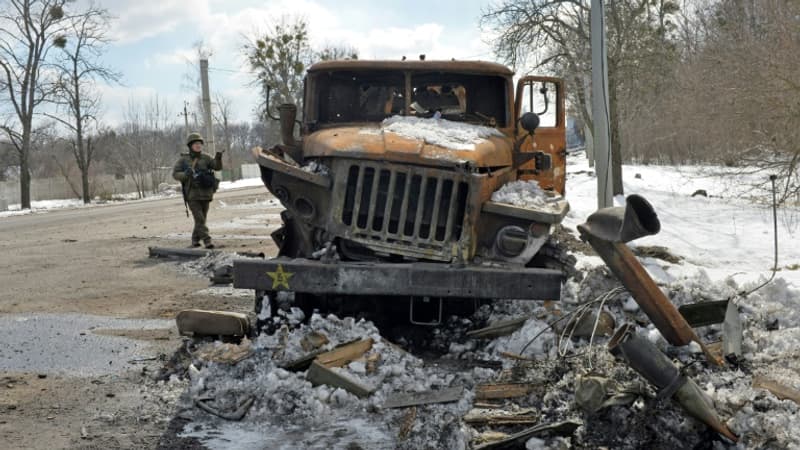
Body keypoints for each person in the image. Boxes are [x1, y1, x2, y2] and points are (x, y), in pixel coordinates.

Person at [172, 132, 223, 248]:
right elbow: (175, 174)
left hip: (206, 193)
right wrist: (185, 174)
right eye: (196, 144)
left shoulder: (206, 157)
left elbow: (217, 167)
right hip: (192, 194)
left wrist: (218, 158)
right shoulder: (184, 160)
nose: (198, 145)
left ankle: (195, 239)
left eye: (200, 143)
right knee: (200, 219)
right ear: (190, 145)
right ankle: (207, 240)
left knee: (201, 219)